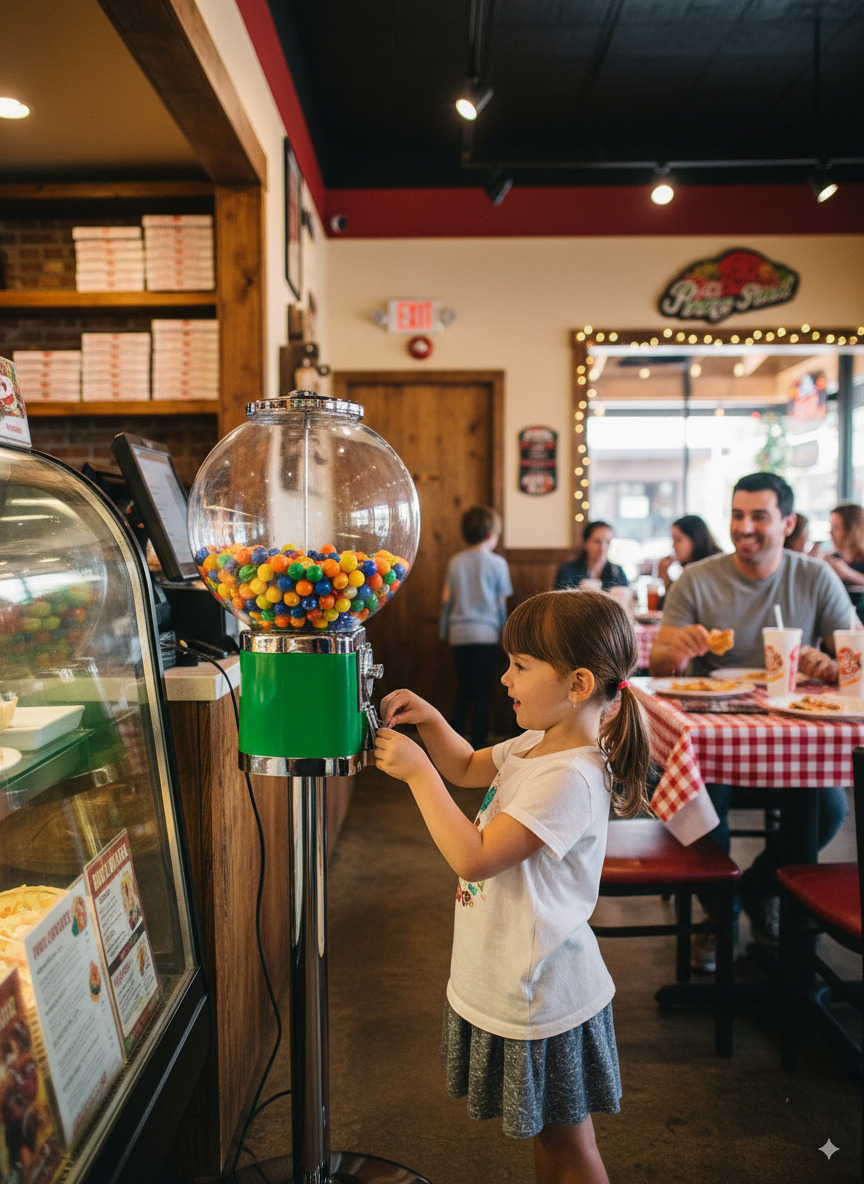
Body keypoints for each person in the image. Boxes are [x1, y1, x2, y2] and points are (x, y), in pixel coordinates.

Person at [375, 589, 651, 1184]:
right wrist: (432, 721)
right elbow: (466, 767)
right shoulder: (536, 743)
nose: (504, 678)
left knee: (569, 1150)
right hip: (513, 974)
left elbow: (474, 858)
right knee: (549, 1141)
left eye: (520, 665)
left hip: (542, 994)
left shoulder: (570, 778)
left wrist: (418, 776)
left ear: (578, 684)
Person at [649, 471, 855, 965]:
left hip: (794, 738)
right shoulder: (698, 578)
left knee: (828, 808)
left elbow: (855, 654)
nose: (745, 527)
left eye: (759, 517)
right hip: (712, 739)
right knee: (697, 806)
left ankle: (761, 890)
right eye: (737, 515)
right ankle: (720, 912)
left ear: (787, 523)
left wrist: (832, 667)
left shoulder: (814, 577)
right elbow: (657, 666)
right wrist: (676, 652)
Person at [439, 505, 513, 749]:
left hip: (458, 635)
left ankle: (452, 742)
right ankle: (479, 744)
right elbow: (501, 606)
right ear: (491, 534)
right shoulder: (498, 563)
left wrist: (443, 632)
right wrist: (505, 637)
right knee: (482, 692)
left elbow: (446, 600)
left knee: (463, 689)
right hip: (486, 635)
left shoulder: (455, 562)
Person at [554, 520, 629, 593]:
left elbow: (625, 594)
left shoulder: (617, 571)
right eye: (597, 542)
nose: (602, 548)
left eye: (608, 542)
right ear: (585, 543)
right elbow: (560, 598)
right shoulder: (568, 570)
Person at [657, 514, 722, 591]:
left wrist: (665, 578)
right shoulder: (689, 568)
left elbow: (683, 597)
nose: (673, 546)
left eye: (677, 540)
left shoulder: (712, 569)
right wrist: (665, 576)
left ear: (695, 539)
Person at [820, 503, 864, 588]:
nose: (830, 532)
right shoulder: (832, 558)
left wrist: (848, 573)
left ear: (852, 530)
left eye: (836, 527)